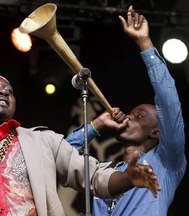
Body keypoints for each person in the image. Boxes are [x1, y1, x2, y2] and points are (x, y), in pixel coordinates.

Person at [0, 69, 161, 216]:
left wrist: (128, 178)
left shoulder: (41, 142)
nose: (4, 91)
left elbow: (94, 177)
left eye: (9, 91)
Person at [66, 5, 187, 216]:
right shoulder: (104, 173)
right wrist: (97, 126)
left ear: (156, 132)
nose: (129, 116)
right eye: (131, 113)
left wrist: (144, 43)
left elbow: (169, 103)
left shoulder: (166, 161)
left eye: (140, 115)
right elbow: (59, 156)